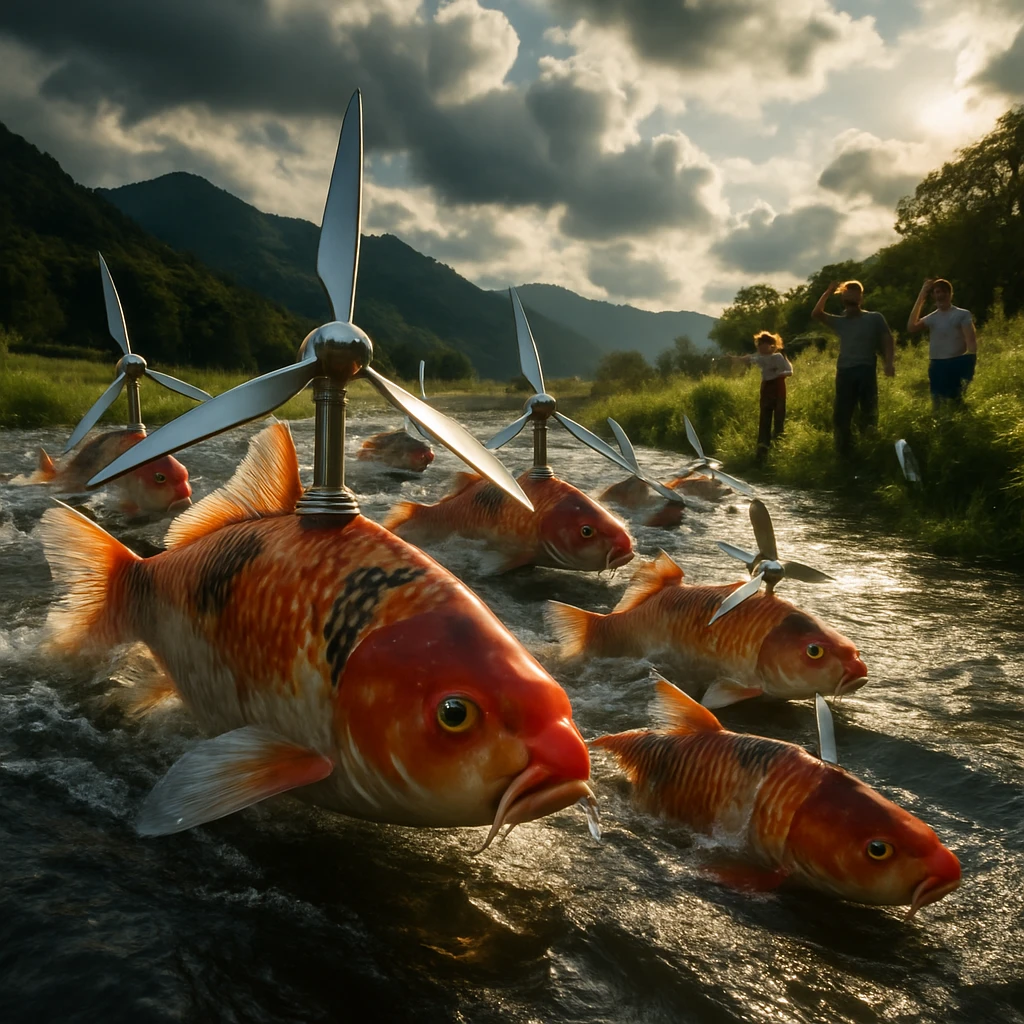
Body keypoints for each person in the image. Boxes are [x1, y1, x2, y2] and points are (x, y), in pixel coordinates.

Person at [811, 279, 895, 459]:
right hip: (845, 372)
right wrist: (828, 291)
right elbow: (817, 313)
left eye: (853, 299)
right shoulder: (840, 322)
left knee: (869, 412)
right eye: (847, 299)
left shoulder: (874, 318)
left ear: (860, 299)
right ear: (842, 300)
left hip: (866, 369)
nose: (850, 304)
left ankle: (870, 452)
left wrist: (889, 363)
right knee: (842, 415)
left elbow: (887, 339)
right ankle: (844, 455)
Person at [906, 278, 977, 407]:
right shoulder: (932, 318)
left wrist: (969, 368)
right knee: (938, 405)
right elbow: (911, 327)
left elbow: (971, 342)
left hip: (956, 363)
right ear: (933, 295)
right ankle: (940, 427)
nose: (941, 295)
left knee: (957, 403)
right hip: (937, 366)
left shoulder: (962, 314)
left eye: (944, 292)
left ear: (950, 294)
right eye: (937, 292)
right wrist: (921, 295)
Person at [732, 331, 793, 462]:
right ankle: (761, 453)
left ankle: (778, 451)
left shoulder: (778, 357)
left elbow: (789, 372)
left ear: (771, 345)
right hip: (766, 389)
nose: (760, 347)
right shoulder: (760, 358)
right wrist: (737, 359)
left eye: (762, 344)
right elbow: (750, 358)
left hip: (778, 388)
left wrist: (778, 374)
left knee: (778, 419)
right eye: (758, 344)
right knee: (764, 420)